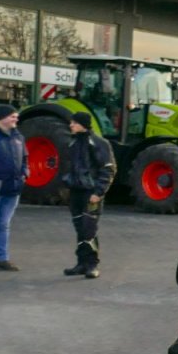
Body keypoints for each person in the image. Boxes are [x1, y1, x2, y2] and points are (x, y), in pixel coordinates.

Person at [62, 111, 115, 279]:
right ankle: (82, 263)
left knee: (88, 228)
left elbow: (108, 169)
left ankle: (92, 264)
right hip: (76, 192)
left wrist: (98, 192)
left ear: (82, 124)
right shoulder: (72, 143)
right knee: (80, 228)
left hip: (91, 193)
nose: (71, 125)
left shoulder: (99, 143)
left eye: (74, 122)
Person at [0, 103, 28, 271]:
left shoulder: (18, 136)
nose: (16, 119)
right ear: (2, 118)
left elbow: (25, 158)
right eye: (13, 116)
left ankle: (2, 259)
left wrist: (25, 172)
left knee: (3, 224)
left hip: (13, 186)